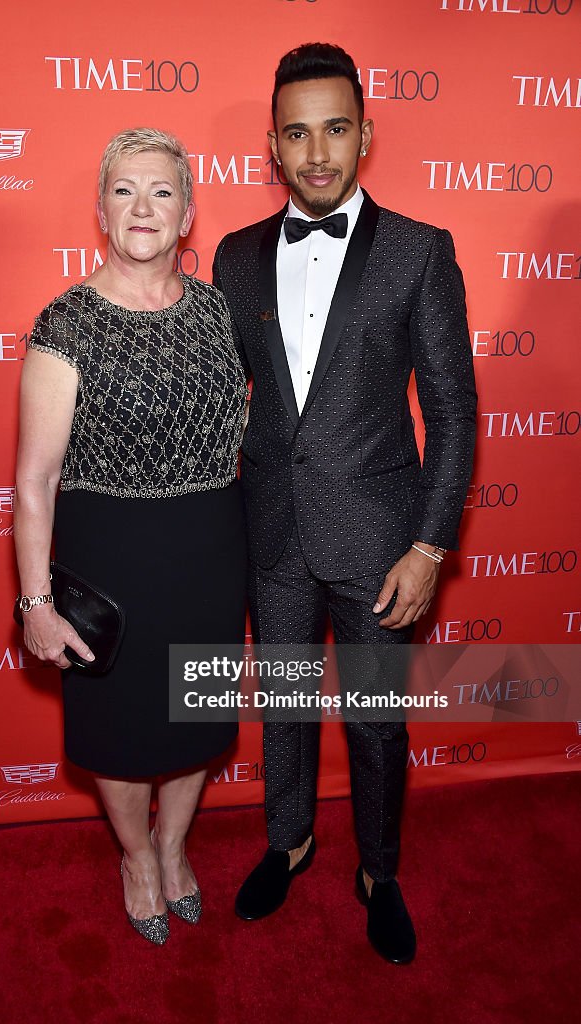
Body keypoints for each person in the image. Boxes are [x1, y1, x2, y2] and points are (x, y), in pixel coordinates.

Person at [213, 43, 477, 964]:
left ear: (366, 134)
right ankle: (288, 843)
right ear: (273, 146)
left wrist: (430, 546)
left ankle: (379, 872)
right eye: (297, 132)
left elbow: (451, 412)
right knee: (282, 706)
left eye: (335, 128)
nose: (317, 151)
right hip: (273, 532)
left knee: (373, 717)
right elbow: (226, 398)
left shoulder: (420, 250)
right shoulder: (236, 256)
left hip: (378, 543)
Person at [14, 128, 247, 945]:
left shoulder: (219, 310)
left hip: (213, 555)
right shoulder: (65, 324)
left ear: (188, 213)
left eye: (161, 191)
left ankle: (177, 847)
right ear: (100, 210)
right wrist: (36, 603)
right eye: (123, 190)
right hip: (108, 561)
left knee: (198, 718)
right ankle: (137, 858)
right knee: (118, 726)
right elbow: (35, 481)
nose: (141, 207)